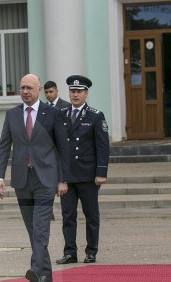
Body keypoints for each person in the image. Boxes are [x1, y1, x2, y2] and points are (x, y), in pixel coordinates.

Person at [0, 73, 65, 282]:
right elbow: (3, 147)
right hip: (22, 180)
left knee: (41, 226)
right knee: (31, 228)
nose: (25, 91)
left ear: (39, 89)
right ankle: (47, 274)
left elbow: (63, 148)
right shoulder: (12, 115)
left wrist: (62, 180)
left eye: (29, 88)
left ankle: (35, 270)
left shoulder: (52, 114)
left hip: (45, 179)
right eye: (22, 87)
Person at [55, 75, 110, 265]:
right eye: (72, 91)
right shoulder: (60, 114)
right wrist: (58, 176)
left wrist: (101, 172)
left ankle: (91, 251)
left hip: (87, 174)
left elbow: (102, 146)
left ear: (86, 93)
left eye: (79, 91)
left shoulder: (95, 115)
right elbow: (56, 146)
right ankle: (70, 252)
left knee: (91, 215)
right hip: (67, 176)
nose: (75, 94)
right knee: (67, 215)